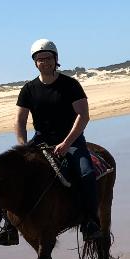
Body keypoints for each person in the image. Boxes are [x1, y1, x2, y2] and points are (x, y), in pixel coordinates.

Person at [15, 39, 101, 240]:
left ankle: (90, 222)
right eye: (40, 59)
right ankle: (11, 229)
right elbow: (20, 121)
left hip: (71, 142)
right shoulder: (28, 89)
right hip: (40, 142)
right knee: (11, 173)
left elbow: (83, 115)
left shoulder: (70, 85)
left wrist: (67, 143)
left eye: (48, 58)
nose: (44, 62)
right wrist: (22, 147)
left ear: (56, 60)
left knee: (87, 173)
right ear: (35, 62)